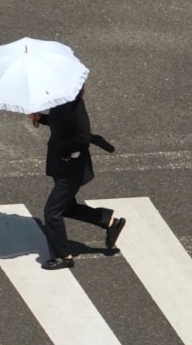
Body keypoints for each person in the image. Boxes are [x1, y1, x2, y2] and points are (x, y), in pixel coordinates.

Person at [28, 86, 126, 270]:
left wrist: (66, 150)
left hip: (72, 167)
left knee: (52, 212)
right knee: (66, 207)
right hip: (60, 164)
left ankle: (64, 256)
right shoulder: (60, 103)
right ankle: (109, 221)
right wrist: (41, 118)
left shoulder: (76, 106)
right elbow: (61, 125)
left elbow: (82, 138)